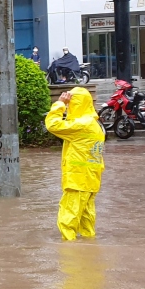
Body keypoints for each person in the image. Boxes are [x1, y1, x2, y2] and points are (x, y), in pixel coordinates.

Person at [44, 87, 105, 241]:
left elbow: (53, 125)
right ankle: (88, 251)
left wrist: (59, 104)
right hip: (90, 179)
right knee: (86, 219)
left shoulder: (82, 124)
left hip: (78, 179)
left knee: (68, 218)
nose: (69, 108)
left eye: (71, 105)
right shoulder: (94, 124)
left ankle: (69, 256)